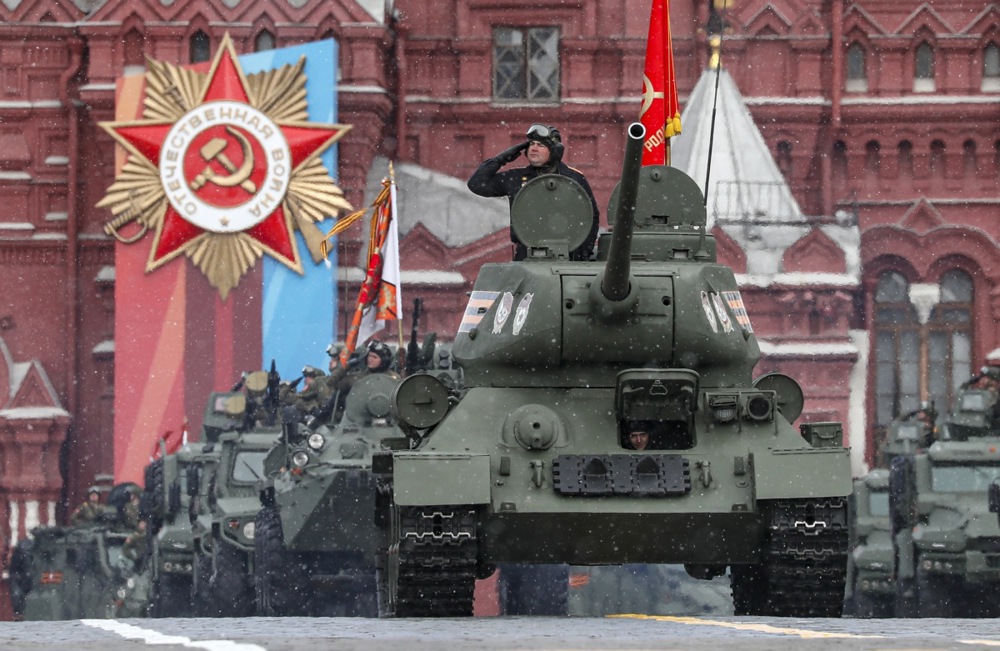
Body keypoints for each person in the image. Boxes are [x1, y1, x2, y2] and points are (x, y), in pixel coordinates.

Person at [467, 123, 599, 261]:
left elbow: (591, 216)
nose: (534, 148)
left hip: (568, 255)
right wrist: (501, 159)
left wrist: (585, 252)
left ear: (555, 151)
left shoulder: (573, 179)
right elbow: (476, 184)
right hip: (528, 255)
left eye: (541, 145)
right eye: (531, 144)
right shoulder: (517, 178)